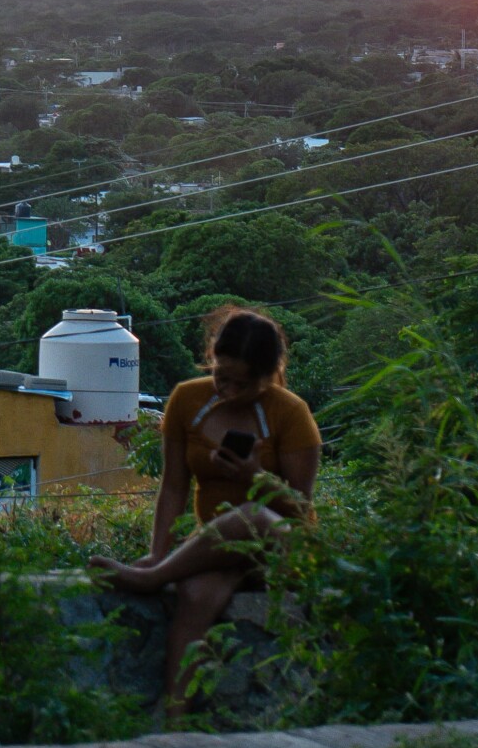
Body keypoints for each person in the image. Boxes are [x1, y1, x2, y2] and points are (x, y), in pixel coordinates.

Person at [91, 307, 322, 717]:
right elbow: (174, 486)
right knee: (195, 596)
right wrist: (158, 550)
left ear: (267, 376)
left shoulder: (290, 412)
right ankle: (176, 719)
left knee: (251, 514)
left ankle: (152, 579)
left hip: (281, 547)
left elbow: (302, 507)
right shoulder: (187, 400)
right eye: (220, 376)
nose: (228, 389)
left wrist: (255, 476)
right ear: (211, 358)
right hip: (218, 546)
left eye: (242, 384)